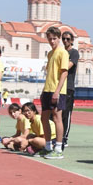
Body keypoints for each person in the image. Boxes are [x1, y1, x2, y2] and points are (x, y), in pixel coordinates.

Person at [39, 27, 69, 160]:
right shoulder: (50, 54)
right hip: (47, 89)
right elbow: (49, 74)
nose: (52, 41)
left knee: (57, 118)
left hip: (58, 91)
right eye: (49, 38)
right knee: (43, 118)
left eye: (54, 38)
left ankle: (58, 148)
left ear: (59, 38)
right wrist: (43, 90)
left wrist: (57, 91)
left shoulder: (63, 53)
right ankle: (47, 147)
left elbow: (64, 72)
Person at [61, 32, 80, 147]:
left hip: (68, 86)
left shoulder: (74, 53)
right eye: (63, 39)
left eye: (67, 39)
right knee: (56, 114)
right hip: (58, 86)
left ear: (72, 40)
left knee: (66, 113)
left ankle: (64, 137)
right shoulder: (61, 52)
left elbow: (67, 66)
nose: (65, 41)